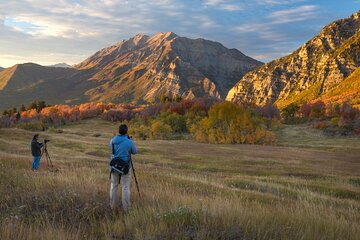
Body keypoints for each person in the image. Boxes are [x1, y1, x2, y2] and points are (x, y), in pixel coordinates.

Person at [109, 124, 137, 211]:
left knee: (114, 185)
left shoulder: (112, 140)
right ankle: (126, 208)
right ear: (126, 132)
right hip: (125, 166)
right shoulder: (129, 142)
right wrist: (132, 141)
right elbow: (135, 151)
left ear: (119, 131)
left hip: (114, 166)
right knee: (125, 187)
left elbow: (111, 150)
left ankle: (113, 206)